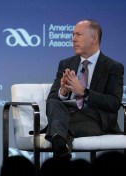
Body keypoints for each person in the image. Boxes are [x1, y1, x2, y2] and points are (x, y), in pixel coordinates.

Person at [45, 19, 124, 159]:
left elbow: (114, 103)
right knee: (53, 102)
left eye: (78, 35)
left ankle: (57, 140)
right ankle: (60, 143)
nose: (73, 39)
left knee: (61, 124)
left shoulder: (113, 67)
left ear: (94, 38)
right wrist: (62, 92)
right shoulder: (66, 63)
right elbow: (52, 98)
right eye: (73, 35)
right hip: (68, 114)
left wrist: (83, 92)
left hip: (95, 120)